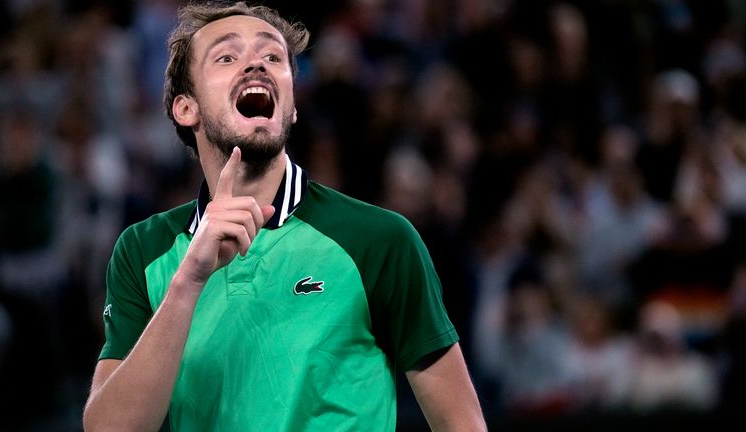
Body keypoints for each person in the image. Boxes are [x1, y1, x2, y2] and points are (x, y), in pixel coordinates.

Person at [82, 2, 486, 431]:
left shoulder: (380, 239)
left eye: (273, 57)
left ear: (291, 106)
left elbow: (462, 423)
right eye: (226, 56)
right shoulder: (143, 250)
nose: (256, 63)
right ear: (187, 108)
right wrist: (188, 283)